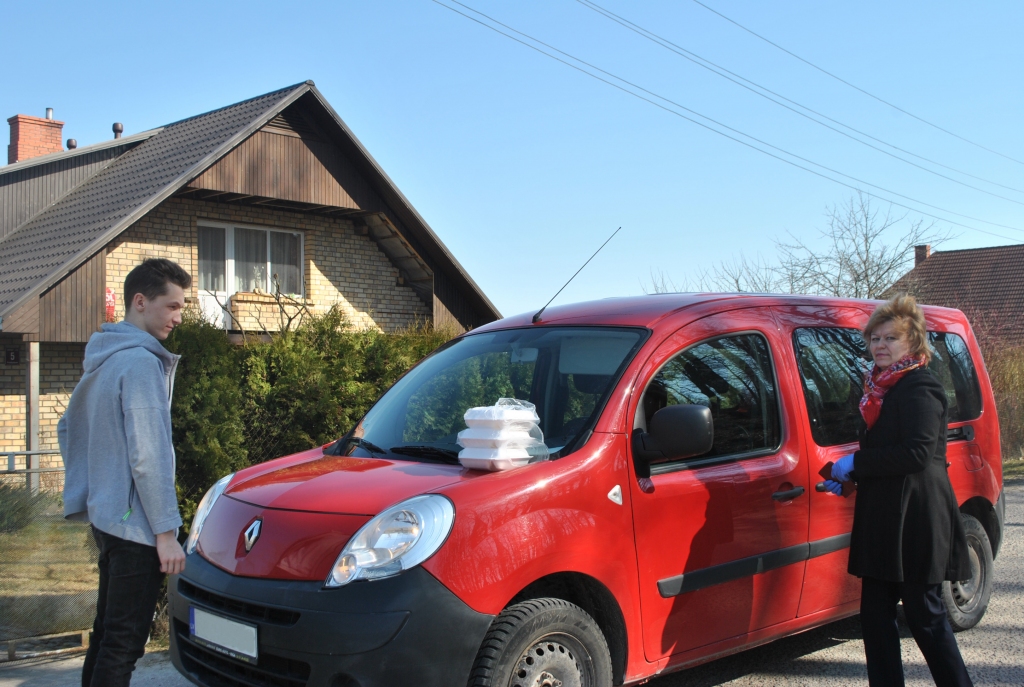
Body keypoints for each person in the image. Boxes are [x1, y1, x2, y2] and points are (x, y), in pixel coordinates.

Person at [823, 294, 973, 687]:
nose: (881, 345)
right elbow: (884, 452)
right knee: (875, 617)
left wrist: (857, 462)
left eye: (891, 338)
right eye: (875, 338)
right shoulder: (876, 389)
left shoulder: (921, 387)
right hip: (882, 517)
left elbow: (917, 454)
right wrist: (848, 476)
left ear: (913, 342)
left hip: (918, 518)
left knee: (926, 618)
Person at [59, 258, 191, 687]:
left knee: (106, 635)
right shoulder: (139, 363)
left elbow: (68, 428)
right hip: (137, 529)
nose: (178, 317)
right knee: (124, 644)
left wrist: (98, 488)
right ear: (140, 301)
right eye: (172, 306)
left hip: (109, 517)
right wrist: (166, 532)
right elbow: (149, 455)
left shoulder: (104, 358)